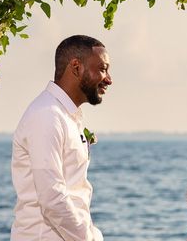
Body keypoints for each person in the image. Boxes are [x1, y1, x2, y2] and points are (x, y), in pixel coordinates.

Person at [11, 35, 112, 241]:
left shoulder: (65, 115)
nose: (109, 79)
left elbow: (74, 191)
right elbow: (52, 198)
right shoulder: (47, 115)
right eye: (102, 69)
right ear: (76, 67)